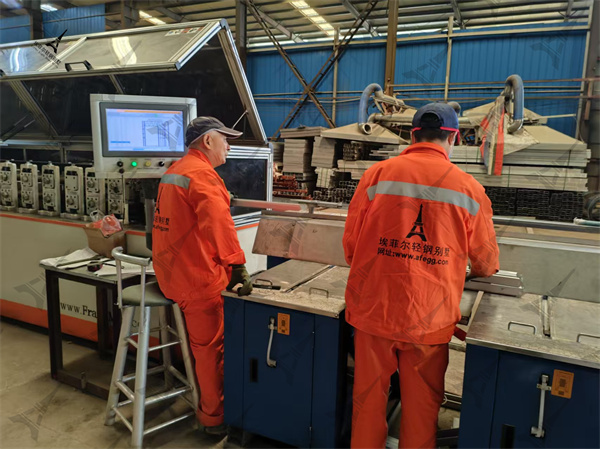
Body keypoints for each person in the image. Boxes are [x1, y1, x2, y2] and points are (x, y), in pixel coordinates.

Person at [343, 103, 499, 448]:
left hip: (374, 311)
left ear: (412, 135)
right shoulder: (469, 188)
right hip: (430, 317)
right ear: (453, 137)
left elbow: (351, 245)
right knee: (422, 407)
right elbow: (487, 262)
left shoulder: (377, 175)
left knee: (368, 402)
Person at [152, 116, 253, 435]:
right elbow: (218, 226)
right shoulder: (203, 175)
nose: (229, 146)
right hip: (195, 282)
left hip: (169, 276)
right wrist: (237, 266)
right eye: (225, 139)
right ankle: (213, 418)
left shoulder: (175, 171)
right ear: (208, 141)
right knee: (211, 351)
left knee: (205, 347)